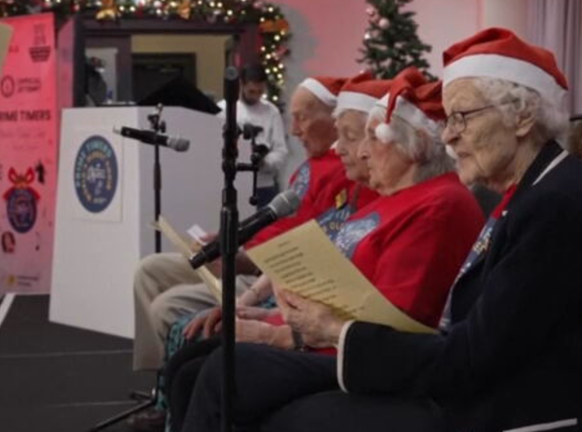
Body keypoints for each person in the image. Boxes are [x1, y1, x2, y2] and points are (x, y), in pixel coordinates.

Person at [187, 29, 582, 432]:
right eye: (449, 121)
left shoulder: (556, 204)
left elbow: (474, 355)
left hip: (517, 412)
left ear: (522, 117)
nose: (449, 136)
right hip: (485, 389)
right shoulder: (535, 191)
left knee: (295, 413)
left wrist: (336, 332)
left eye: (463, 117)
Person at [179, 66, 488, 432]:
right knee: (195, 362)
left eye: (372, 138)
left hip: (356, 358)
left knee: (225, 369)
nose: (359, 152)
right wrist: (266, 317)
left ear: (415, 145)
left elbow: (396, 320)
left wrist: (276, 335)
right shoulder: (392, 199)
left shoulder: (440, 204)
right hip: (327, 341)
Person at [132, 75, 348, 374]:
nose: (294, 130)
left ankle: (169, 382)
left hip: (265, 272)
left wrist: (240, 261)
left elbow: (303, 251)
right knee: (149, 269)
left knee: (167, 306)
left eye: (302, 118)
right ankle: (157, 373)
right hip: (251, 258)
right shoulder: (312, 166)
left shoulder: (343, 173)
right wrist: (228, 240)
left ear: (336, 120)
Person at [216, 64, 288, 206]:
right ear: (241, 85)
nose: (256, 96)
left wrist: (264, 162)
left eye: (260, 92)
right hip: (232, 183)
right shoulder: (223, 109)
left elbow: (281, 151)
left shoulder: (271, 111)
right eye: (251, 91)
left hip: (264, 185)